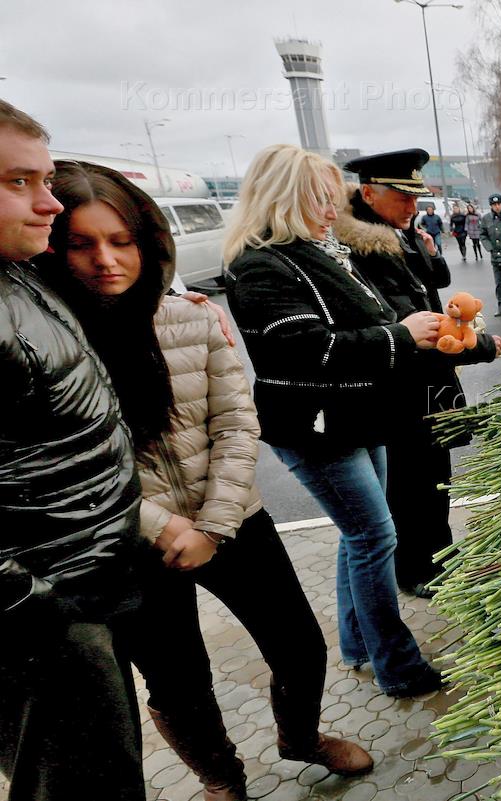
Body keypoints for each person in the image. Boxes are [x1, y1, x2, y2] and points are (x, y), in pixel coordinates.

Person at [37, 160, 373, 800]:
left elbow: (238, 423)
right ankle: (223, 782)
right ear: (53, 249)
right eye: (81, 244)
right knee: (178, 680)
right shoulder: (47, 343)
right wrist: (162, 526)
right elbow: (63, 464)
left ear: (147, 242)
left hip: (233, 517)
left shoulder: (190, 318)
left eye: (121, 241)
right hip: (130, 542)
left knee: (299, 646)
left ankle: (300, 738)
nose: (106, 261)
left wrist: (214, 525)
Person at [223, 144, 444, 699]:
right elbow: (308, 350)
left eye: (331, 198)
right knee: (374, 537)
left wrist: (400, 330)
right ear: (284, 197)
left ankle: (359, 645)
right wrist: (400, 335)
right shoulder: (261, 265)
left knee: (361, 536)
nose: (331, 209)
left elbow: (361, 318)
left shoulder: (313, 252)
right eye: (319, 198)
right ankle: (397, 666)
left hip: (353, 417)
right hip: (316, 427)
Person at [0, 100, 145, 799]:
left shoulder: (17, 273)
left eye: (46, 180)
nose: (49, 204)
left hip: (81, 591)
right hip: (44, 618)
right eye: (18, 182)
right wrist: (41, 606)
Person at [337, 149, 501, 597]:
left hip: (425, 383)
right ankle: (418, 570)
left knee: (433, 479)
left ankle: (438, 554)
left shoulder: (395, 233)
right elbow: (413, 325)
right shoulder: (364, 249)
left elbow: (433, 284)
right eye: (403, 198)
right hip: (401, 389)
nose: (414, 206)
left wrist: (422, 245)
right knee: (412, 485)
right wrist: (480, 346)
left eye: (416, 197)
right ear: (369, 193)